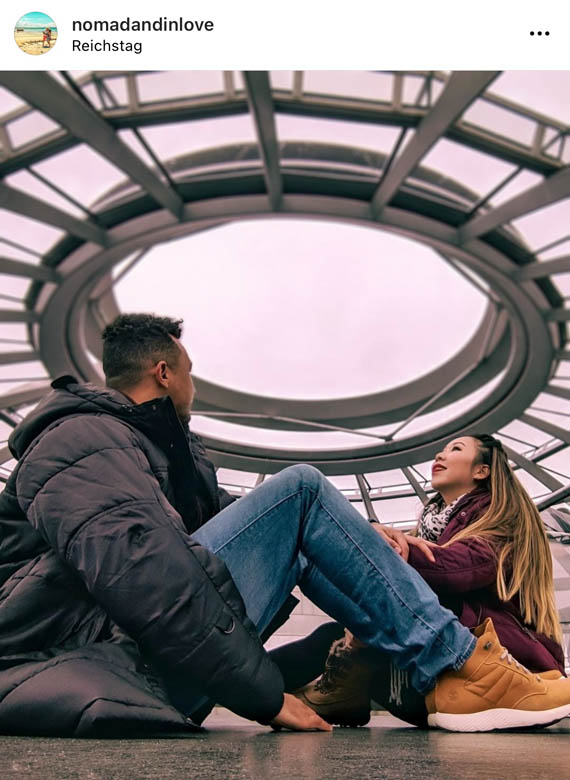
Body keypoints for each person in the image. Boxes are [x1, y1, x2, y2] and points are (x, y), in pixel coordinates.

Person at [0, 313, 569, 737]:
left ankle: (445, 677)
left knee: (306, 518)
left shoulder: (164, 456)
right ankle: (462, 665)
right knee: (300, 488)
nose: (195, 386)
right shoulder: (80, 439)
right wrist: (263, 696)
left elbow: (241, 523)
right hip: (96, 658)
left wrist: (361, 534)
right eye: (191, 373)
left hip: (137, 659)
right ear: (165, 372)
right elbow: (144, 571)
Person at [295, 434, 567, 728]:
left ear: (481, 470)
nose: (440, 455)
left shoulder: (501, 515)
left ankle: (487, 678)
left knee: (355, 573)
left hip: (516, 667)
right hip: (439, 684)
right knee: (331, 632)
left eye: (455, 449)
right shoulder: (429, 527)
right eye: (441, 450)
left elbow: (458, 571)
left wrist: (383, 548)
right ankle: (258, 686)